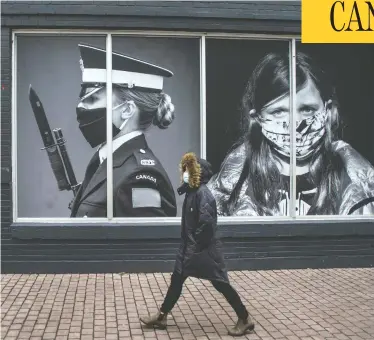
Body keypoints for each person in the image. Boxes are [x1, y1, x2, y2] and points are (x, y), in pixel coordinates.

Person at [207, 51, 374, 216]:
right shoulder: (233, 185)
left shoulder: (355, 182)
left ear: (328, 111)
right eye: (279, 112)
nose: (295, 125)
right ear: (257, 118)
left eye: (307, 109)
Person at [140, 152, 255, 336]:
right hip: (189, 249)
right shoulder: (192, 192)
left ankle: (245, 318)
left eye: (188, 170)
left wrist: (194, 246)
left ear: (197, 174)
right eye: (184, 169)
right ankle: (161, 316)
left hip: (203, 251)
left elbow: (207, 225)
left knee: (221, 284)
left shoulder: (203, 195)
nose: (185, 173)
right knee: (176, 281)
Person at [70, 44, 177, 218]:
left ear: (127, 109)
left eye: (93, 98)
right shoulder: (106, 160)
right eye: (83, 98)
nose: (81, 106)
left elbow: (144, 245)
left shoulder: (139, 176)